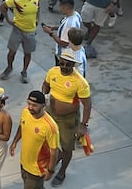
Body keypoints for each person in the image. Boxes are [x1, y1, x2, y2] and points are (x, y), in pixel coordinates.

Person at [42, 50, 92, 186]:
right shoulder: (53, 71)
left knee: (67, 147)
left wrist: (83, 125)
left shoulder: (80, 82)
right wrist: (44, 94)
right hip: (50, 113)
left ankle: (62, 171)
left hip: (68, 120)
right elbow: (46, 84)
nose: (64, 66)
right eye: (62, 63)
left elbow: (87, 105)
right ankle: (55, 159)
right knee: (49, 140)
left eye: (68, 65)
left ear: (73, 65)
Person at [9, 90, 60, 189]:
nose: (31, 107)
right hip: (24, 162)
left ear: (43, 105)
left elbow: (54, 151)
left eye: (35, 105)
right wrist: (15, 141)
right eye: (29, 103)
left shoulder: (50, 127)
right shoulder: (25, 112)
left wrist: (50, 170)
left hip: (37, 169)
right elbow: (22, 126)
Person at [0, 0, 40, 83]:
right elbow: (3, 6)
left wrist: (37, 18)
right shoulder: (16, 0)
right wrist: (8, 20)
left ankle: (24, 71)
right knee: (11, 52)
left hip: (30, 31)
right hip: (17, 29)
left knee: (28, 53)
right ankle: (9, 68)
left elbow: (38, 8)